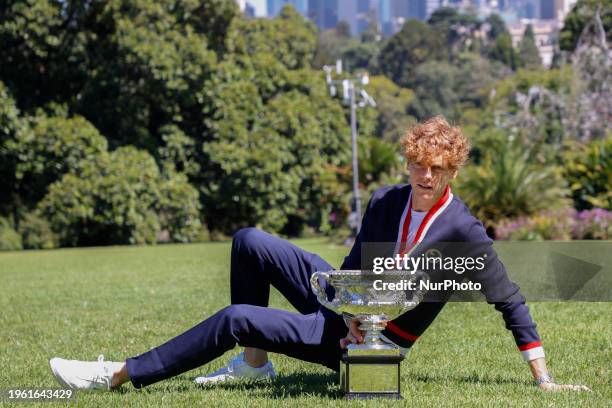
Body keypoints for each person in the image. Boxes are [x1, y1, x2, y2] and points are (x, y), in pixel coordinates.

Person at [49, 116, 590, 392]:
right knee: (249, 241)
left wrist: (543, 380)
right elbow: (352, 271)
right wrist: (348, 310)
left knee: (239, 317)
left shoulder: (464, 233)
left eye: (437, 169)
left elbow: (511, 301)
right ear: (410, 162)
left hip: (372, 344)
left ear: (453, 171)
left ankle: (117, 375)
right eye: (417, 165)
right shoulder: (386, 202)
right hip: (348, 312)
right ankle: (255, 367)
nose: (424, 177)